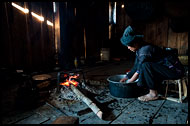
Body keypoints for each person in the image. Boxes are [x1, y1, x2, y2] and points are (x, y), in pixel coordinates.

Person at [119, 25, 185, 102]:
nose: (128, 48)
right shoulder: (139, 49)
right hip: (163, 69)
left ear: (136, 43)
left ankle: (153, 94)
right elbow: (136, 66)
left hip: (175, 71)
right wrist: (127, 77)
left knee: (146, 66)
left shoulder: (145, 50)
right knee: (145, 66)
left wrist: (129, 82)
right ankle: (152, 88)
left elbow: (139, 70)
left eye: (129, 45)